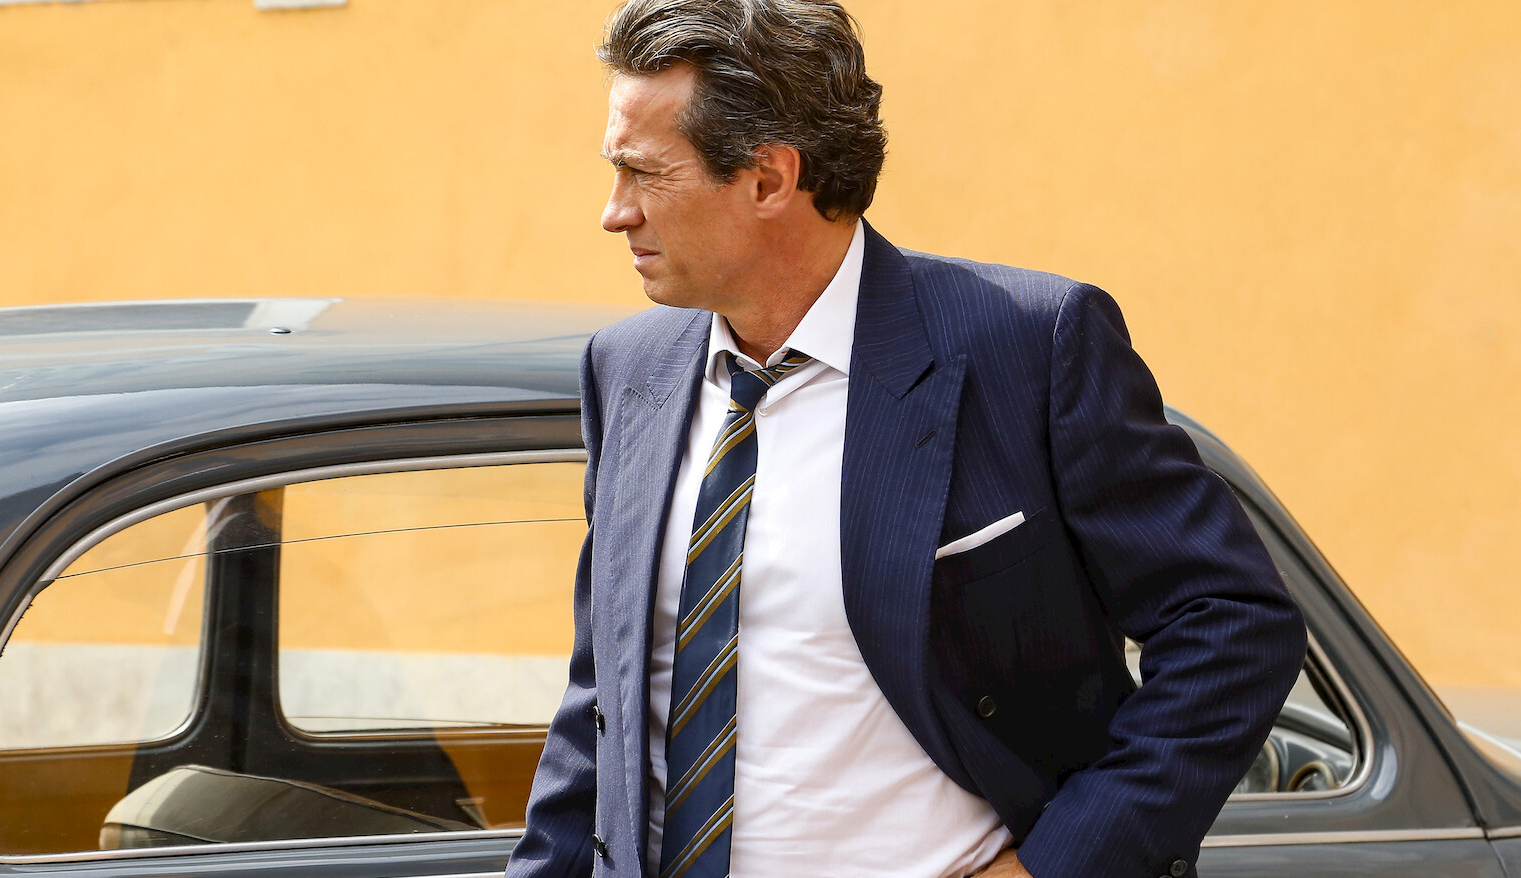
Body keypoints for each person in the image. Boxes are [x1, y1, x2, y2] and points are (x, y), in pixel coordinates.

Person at [507, 1, 1308, 877]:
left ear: (769, 179)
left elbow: (1233, 625)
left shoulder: (1030, 347)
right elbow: (603, 700)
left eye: (643, 172)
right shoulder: (627, 370)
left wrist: (1059, 865)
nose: (614, 213)